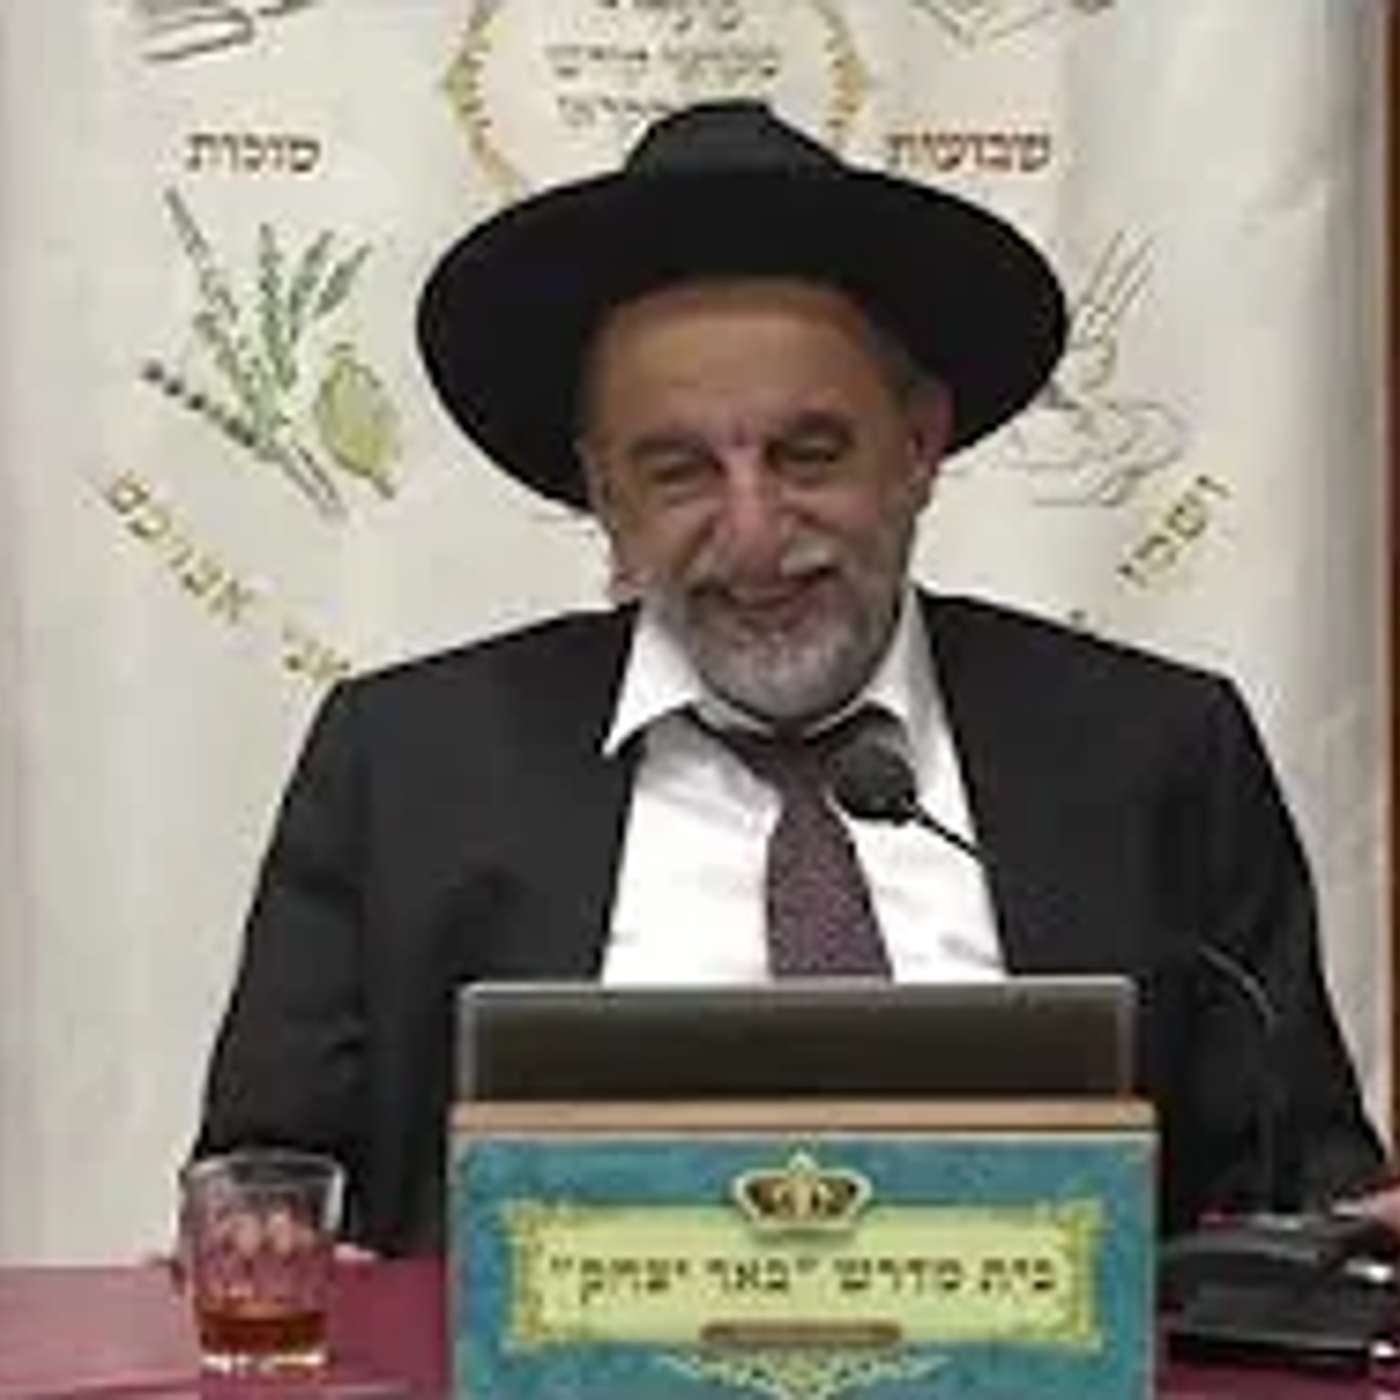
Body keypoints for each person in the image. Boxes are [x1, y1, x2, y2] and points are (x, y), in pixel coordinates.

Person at [195, 101, 1387, 1253]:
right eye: (678, 472)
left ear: (917, 445)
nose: (755, 531)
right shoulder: (407, 761)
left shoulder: (1152, 746)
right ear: (604, 495)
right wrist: (264, 1237)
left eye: (808, 454)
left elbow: (1297, 1189)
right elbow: (265, 1182)